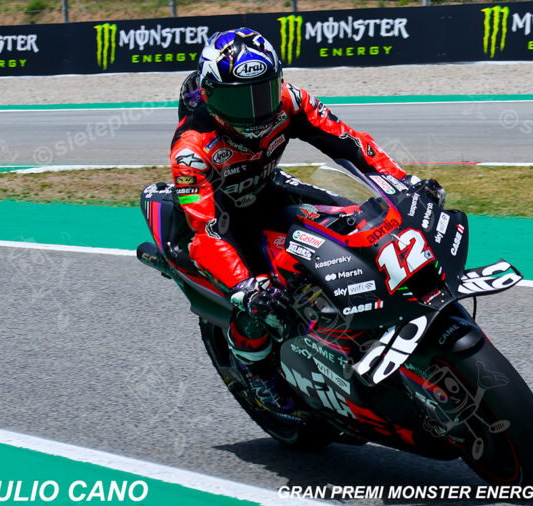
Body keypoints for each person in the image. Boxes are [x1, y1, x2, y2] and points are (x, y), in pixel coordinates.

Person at [170, 28, 445, 413]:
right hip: (225, 222)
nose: (253, 109)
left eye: (261, 92)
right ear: (211, 94)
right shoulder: (191, 150)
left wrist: (404, 182)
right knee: (259, 303)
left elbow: (351, 144)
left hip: (267, 189)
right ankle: (256, 376)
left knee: (356, 217)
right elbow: (205, 231)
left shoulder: (291, 101)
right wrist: (245, 287)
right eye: (238, 99)